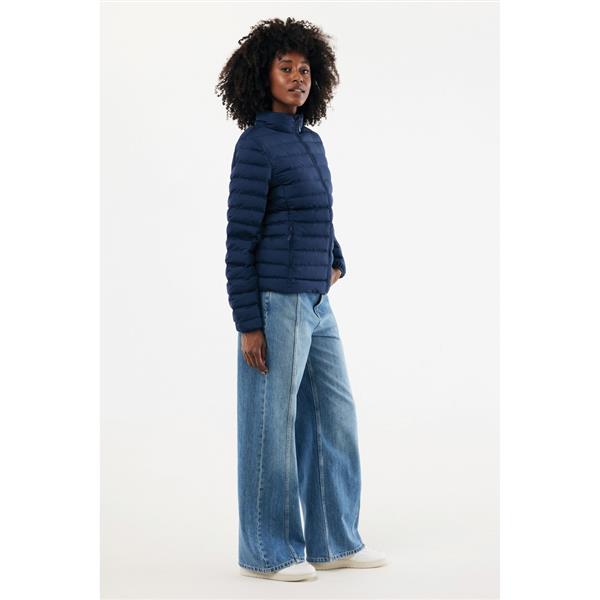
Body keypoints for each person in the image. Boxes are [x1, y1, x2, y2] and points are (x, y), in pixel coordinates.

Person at [216, 17, 387, 582]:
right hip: (275, 303)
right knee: (271, 427)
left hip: (316, 301)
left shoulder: (309, 141)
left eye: (306, 69)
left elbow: (318, 213)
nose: (298, 78)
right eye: (286, 67)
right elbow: (239, 239)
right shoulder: (256, 145)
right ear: (261, 76)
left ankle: (334, 540)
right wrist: (248, 322)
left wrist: (335, 259)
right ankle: (268, 551)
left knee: (334, 419)